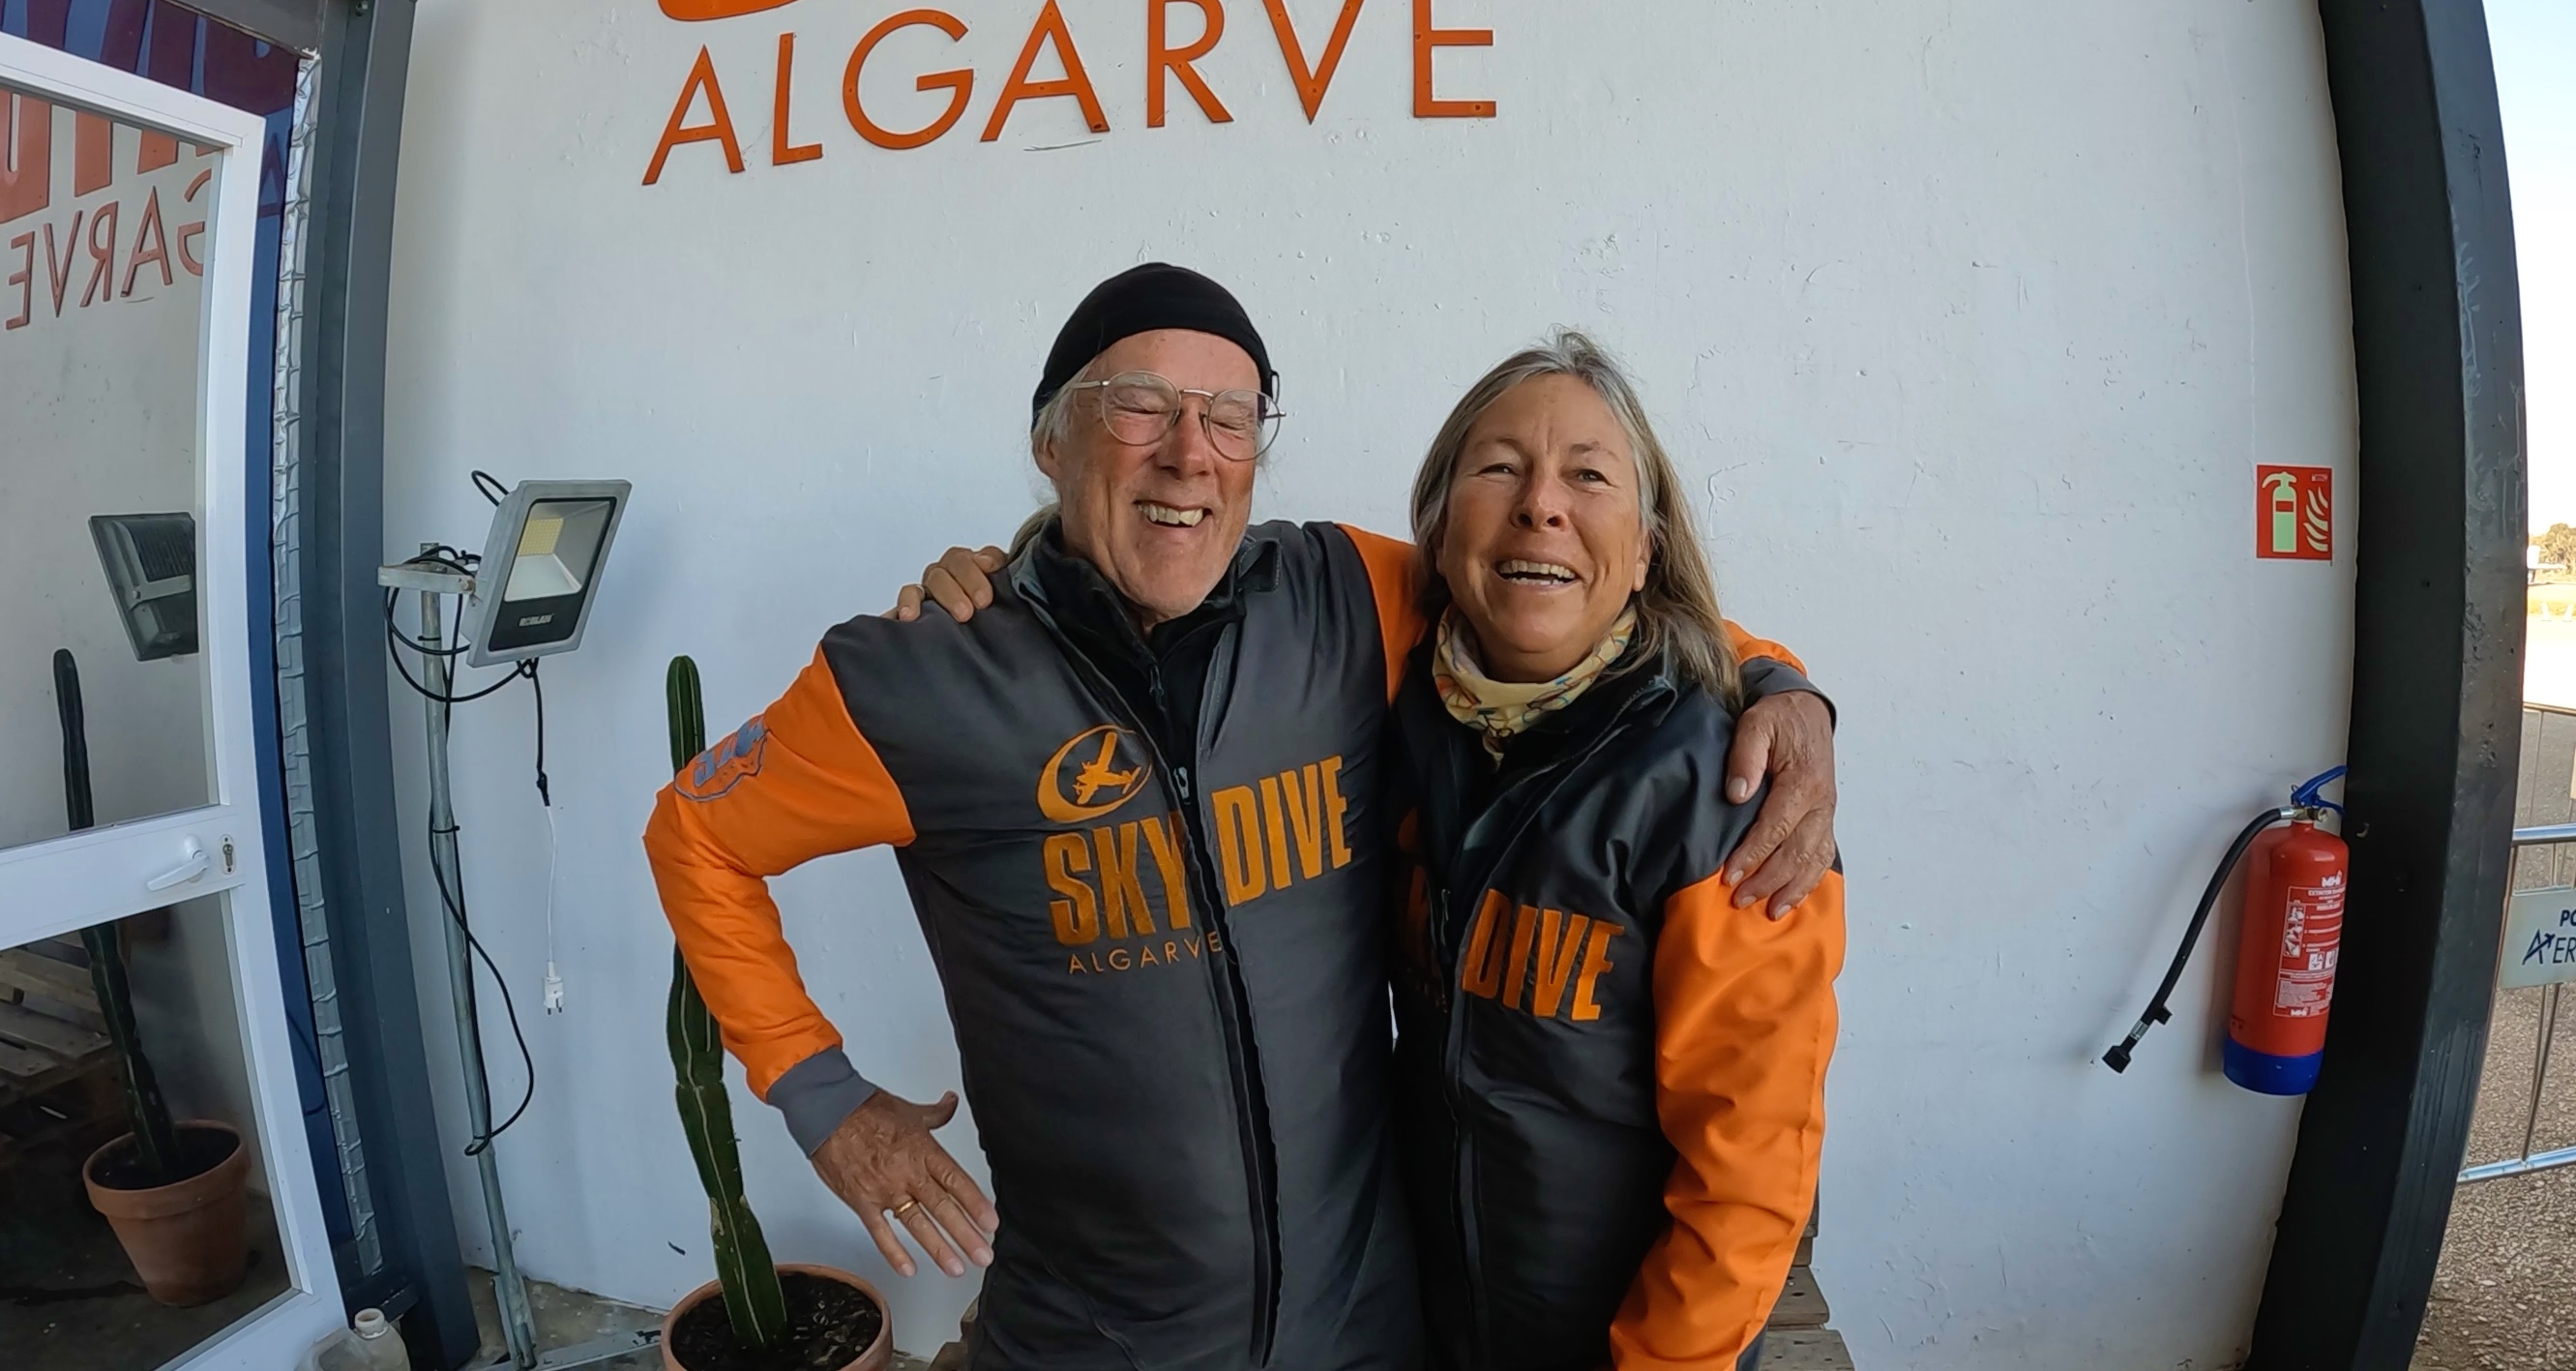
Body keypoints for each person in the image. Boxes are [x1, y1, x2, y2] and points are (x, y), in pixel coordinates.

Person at [645, 264, 1837, 1370]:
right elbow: (695, 834)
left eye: (1230, 416)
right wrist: (824, 1099)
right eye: (1138, 406)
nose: (1189, 454)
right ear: (1049, 440)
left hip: (1368, 1328)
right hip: (1090, 1340)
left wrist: (1776, 684)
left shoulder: (1342, 599)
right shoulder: (921, 674)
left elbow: (1550, 602)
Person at [1387, 333, 1841, 1371]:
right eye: (1499, 466)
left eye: (1588, 476)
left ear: (1644, 550)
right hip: (1420, 1324)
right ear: (1438, 529)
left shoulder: (1731, 788)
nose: (1540, 505)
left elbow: (1749, 1170)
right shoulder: (1394, 706)